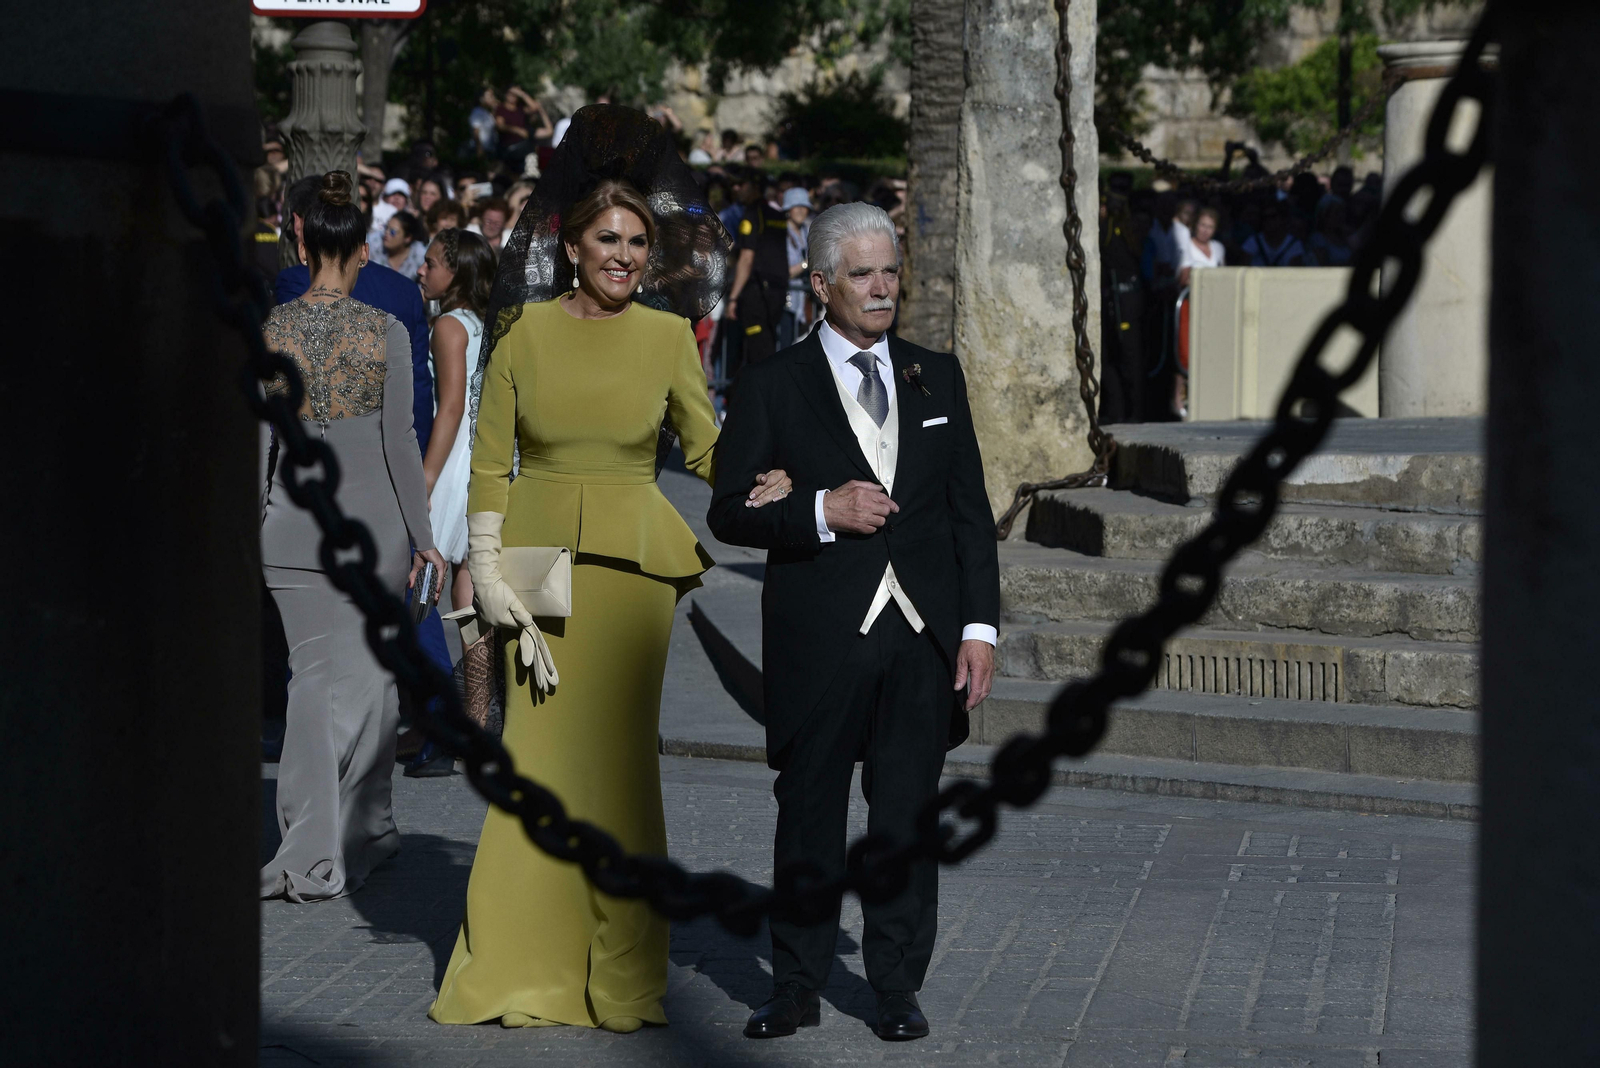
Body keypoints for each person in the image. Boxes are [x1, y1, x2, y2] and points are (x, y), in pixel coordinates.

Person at [428, 105, 792, 1033]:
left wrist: (772, 479)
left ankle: (622, 976)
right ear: (571, 245)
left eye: (636, 241)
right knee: (536, 759)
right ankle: (519, 963)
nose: (625, 255)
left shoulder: (667, 338)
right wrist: (486, 568)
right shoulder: (522, 333)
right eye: (608, 239)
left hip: (634, 572)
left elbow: (705, 448)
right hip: (534, 566)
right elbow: (491, 460)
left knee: (622, 768)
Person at [707, 202, 1000, 1043]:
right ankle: (795, 985)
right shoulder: (773, 382)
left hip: (921, 633)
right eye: (862, 273)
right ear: (820, 283)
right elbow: (728, 510)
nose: (881, 288)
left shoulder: (936, 375)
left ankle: (896, 987)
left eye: (890, 271)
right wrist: (819, 510)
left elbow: (969, 513)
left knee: (905, 815)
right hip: (822, 628)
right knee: (809, 811)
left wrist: (979, 630)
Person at [259, 170, 446, 902]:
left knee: (310, 681)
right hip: (375, 524)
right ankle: (361, 832)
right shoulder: (385, 330)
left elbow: (260, 443)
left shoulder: (275, 329)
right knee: (371, 683)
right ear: (363, 250)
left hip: (293, 523)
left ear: (303, 242)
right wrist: (425, 537)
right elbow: (401, 442)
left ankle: (313, 840)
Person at [415, 228, 497, 729]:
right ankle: (476, 712)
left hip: (452, 461)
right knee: (469, 593)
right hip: (484, 455)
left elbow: (450, 407)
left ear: (457, 272)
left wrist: (425, 480)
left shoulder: (448, 325)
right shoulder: (481, 323)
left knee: (425, 586)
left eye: (431, 263)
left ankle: (438, 715)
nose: (421, 270)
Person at [724, 170, 790, 370]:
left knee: (757, 355)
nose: (737, 189)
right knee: (766, 346)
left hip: (757, 293)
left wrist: (733, 298)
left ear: (754, 188)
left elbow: (747, 258)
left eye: (742, 185)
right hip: (777, 291)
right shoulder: (778, 215)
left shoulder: (752, 214)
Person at [780, 185, 813, 348]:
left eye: (804, 206)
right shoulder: (781, 233)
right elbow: (784, 272)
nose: (801, 210)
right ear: (788, 209)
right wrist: (807, 263)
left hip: (804, 302)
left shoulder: (808, 231)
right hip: (786, 301)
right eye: (796, 206)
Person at [1242, 203, 1307, 267]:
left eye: (1273, 216)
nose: (1268, 221)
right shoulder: (1253, 241)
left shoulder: (1294, 244)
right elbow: (1244, 268)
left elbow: (1294, 271)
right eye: (1265, 217)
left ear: (1283, 219)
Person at [377, 209, 428, 280]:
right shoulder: (373, 247)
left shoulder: (420, 258)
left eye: (392, 232)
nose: (386, 233)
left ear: (408, 238)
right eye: (386, 228)